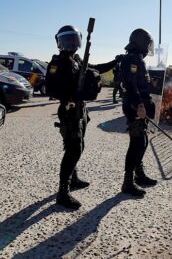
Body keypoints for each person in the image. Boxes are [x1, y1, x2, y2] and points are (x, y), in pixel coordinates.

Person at [46, 25, 117, 210]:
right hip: (69, 110)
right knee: (73, 149)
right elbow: (51, 88)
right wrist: (69, 95)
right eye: (67, 40)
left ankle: (73, 178)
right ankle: (63, 192)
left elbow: (96, 68)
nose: (71, 44)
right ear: (60, 42)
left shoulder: (78, 59)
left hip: (81, 109)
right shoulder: (57, 63)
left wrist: (114, 62)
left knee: (79, 146)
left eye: (73, 39)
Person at [120, 28, 157, 197]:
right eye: (147, 44)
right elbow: (130, 84)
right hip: (135, 107)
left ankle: (139, 175)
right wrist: (139, 105)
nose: (149, 48)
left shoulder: (137, 59)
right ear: (141, 43)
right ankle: (128, 183)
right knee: (136, 143)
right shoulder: (132, 59)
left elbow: (140, 83)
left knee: (142, 141)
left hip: (140, 105)